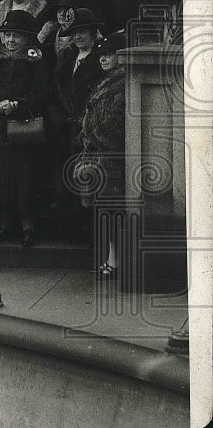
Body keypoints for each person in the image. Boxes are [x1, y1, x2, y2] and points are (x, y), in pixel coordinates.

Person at [0, 10, 49, 248]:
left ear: (26, 37)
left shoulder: (35, 61)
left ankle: (28, 226)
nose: (10, 40)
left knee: (24, 178)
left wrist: (16, 105)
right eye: (7, 35)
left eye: (16, 35)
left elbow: (41, 93)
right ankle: (4, 225)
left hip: (22, 127)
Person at [51, 8, 105, 242]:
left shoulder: (100, 59)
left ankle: (90, 231)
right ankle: (69, 228)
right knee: (66, 178)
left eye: (83, 31)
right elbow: (55, 92)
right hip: (66, 128)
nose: (78, 36)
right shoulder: (67, 57)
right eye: (74, 32)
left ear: (93, 32)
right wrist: (60, 118)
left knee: (88, 178)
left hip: (89, 128)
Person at [77, 31, 127, 279]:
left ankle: (115, 261)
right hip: (98, 155)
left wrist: (91, 135)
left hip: (109, 157)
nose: (103, 59)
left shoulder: (123, 83)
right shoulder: (107, 81)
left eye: (109, 54)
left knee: (112, 210)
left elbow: (114, 122)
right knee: (105, 210)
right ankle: (112, 259)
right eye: (101, 55)